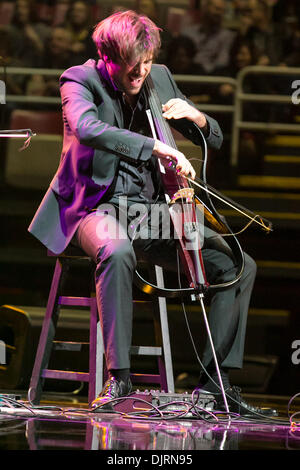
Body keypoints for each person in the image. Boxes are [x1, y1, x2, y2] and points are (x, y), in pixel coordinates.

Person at [28, 10, 277, 417]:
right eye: (133, 64)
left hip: (151, 214)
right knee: (118, 249)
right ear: (109, 56)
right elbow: (88, 128)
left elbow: (212, 133)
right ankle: (119, 379)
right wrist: (155, 147)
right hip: (93, 209)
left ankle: (215, 385)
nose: (141, 71)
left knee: (239, 265)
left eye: (146, 61)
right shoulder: (79, 80)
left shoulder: (158, 75)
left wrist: (197, 118)